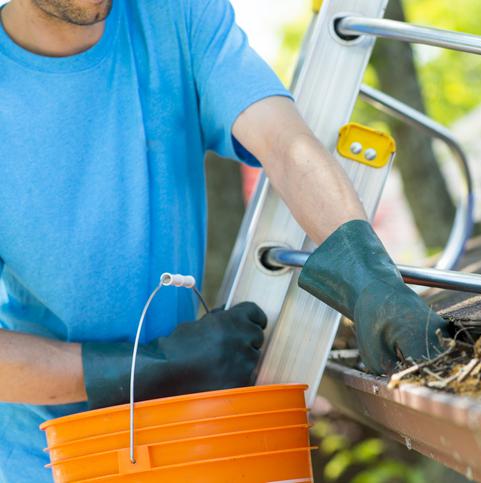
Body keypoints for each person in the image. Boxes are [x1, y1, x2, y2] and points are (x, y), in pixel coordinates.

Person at [0, 0, 448, 480]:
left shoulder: (176, 15)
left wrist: (366, 272)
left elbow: (283, 140)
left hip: (186, 443)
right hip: (50, 461)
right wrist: (155, 365)